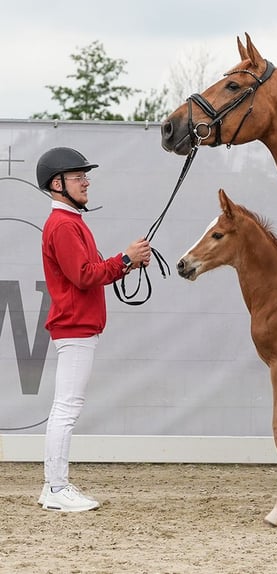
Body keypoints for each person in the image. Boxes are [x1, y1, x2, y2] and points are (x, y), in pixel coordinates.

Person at [35, 147, 151, 512]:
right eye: (77, 176)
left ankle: (56, 486)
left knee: (67, 406)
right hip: (75, 327)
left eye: (85, 176)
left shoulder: (71, 222)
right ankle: (55, 488)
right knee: (66, 408)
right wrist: (127, 259)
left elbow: (93, 268)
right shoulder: (64, 224)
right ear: (58, 184)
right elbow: (84, 275)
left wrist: (125, 263)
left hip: (78, 327)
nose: (86, 181)